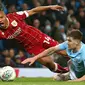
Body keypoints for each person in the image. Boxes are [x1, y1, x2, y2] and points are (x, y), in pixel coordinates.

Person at [0, 2, 68, 73]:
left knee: (64, 53)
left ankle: (78, 67)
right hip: (31, 47)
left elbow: (33, 11)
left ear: (5, 16)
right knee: (49, 64)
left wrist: (49, 7)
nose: (0, 20)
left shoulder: (14, 16)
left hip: (40, 37)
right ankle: (66, 73)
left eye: (1, 17)